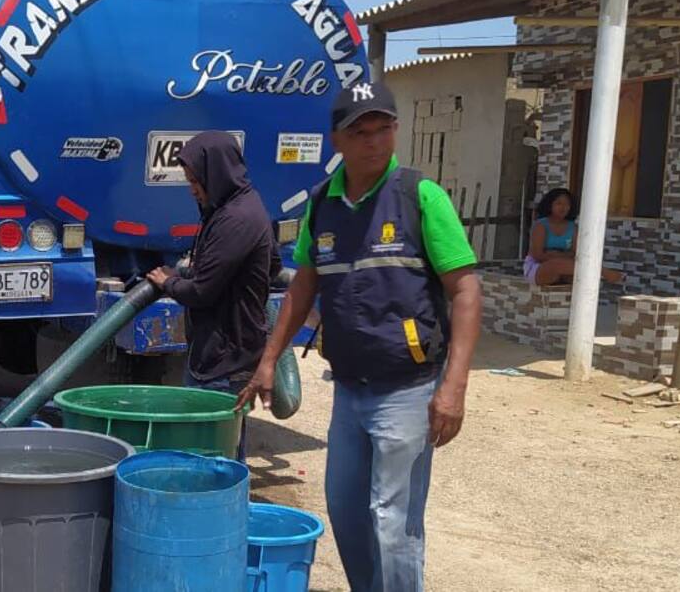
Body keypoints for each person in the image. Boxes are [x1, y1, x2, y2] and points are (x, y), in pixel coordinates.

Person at [238, 81, 483, 592]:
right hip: (349, 389)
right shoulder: (321, 204)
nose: (374, 142)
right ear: (337, 140)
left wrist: (454, 385)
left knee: (393, 525)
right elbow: (304, 284)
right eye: (360, 132)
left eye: (383, 129)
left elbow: (465, 289)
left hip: (407, 389)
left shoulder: (420, 196)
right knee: (346, 512)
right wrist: (269, 358)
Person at [146, 131, 280, 459]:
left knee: (210, 460)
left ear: (216, 173)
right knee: (226, 453)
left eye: (196, 181)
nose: (192, 188)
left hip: (223, 360)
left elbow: (202, 291)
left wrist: (167, 282)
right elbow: (274, 265)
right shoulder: (238, 206)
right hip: (229, 352)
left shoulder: (235, 219)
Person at [524, 187, 624, 286]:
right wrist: (562, 256)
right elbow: (538, 255)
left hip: (564, 268)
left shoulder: (573, 227)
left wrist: (554, 254)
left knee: (579, 276)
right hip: (538, 268)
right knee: (556, 264)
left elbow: (576, 254)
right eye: (559, 203)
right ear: (550, 205)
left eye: (567, 204)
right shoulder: (541, 225)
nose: (563, 207)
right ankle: (602, 272)